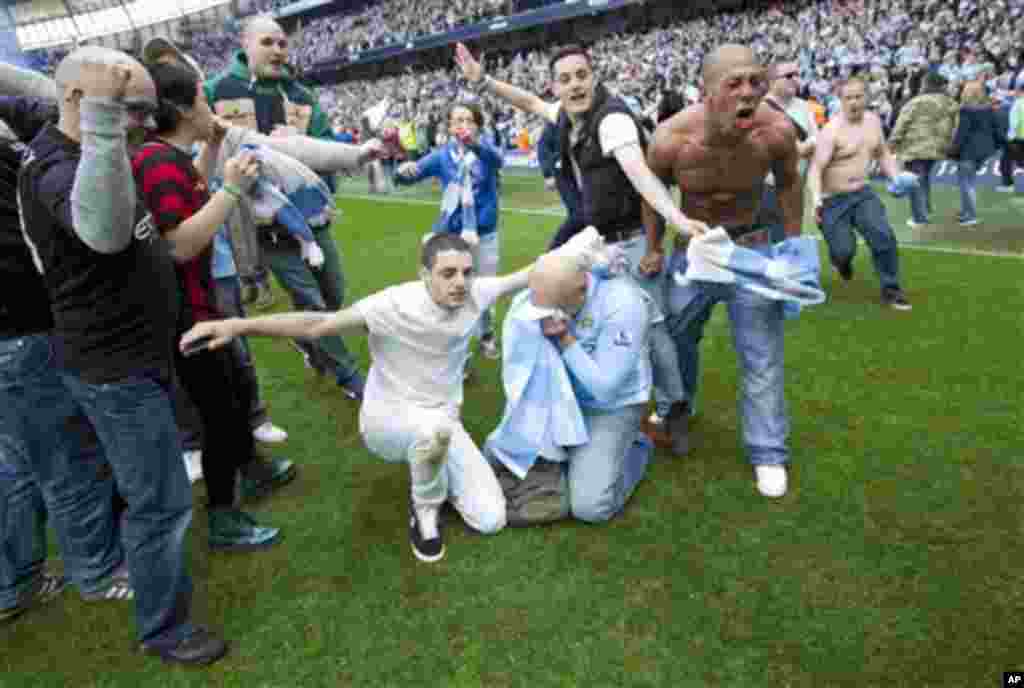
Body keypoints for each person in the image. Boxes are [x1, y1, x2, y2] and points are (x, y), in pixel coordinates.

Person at [17, 47, 226, 664]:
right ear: (84, 102)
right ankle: (163, 628)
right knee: (160, 501)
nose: (144, 119)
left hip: (133, 356)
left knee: (144, 488)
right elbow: (104, 231)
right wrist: (108, 123)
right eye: (131, 107)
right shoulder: (57, 165)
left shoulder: (91, 146)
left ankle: (136, 583)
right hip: (116, 369)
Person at [180, 234, 566, 562]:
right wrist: (238, 324)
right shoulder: (393, 305)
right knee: (432, 432)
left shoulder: (475, 295)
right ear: (424, 275)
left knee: (491, 519)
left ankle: (435, 472)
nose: (460, 282)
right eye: (448, 273)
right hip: (387, 423)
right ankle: (425, 508)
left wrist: (597, 242)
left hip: (441, 421)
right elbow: (318, 325)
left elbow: (533, 272)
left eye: (467, 272)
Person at [454, 42, 691, 456]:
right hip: (599, 239)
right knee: (555, 280)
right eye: (565, 79)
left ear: (593, 76)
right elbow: (529, 101)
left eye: (581, 75)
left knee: (653, 332)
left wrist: (675, 220)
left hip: (632, 242)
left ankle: (674, 412)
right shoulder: (568, 115)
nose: (575, 85)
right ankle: (586, 389)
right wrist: (484, 81)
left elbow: (642, 177)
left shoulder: (613, 120)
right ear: (556, 86)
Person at [131, 59, 297, 548]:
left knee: (230, 397)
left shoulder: (167, 156)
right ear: (182, 108)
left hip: (198, 306)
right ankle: (224, 516)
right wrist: (233, 189)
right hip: (185, 313)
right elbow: (179, 242)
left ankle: (252, 469)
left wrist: (214, 149)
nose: (210, 108)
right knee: (219, 414)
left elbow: (192, 194)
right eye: (203, 100)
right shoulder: (156, 162)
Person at [639, 44, 804, 498]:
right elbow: (652, 193)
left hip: (751, 250)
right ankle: (680, 407)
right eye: (734, 84)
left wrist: (793, 242)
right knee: (675, 339)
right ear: (706, 91)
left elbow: (791, 181)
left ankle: (768, 452)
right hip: (694, 252)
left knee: (762, 354)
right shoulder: (672, 139)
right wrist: (653, 246)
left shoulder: (775, 132)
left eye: (756, 81)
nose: (748, 93)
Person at [1, 95, 134, 625]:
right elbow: (46, 111)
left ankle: (16, 583)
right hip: (23, 332)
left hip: (17, 335)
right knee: (64, 458)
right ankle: (97, 571)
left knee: (22, 464)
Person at [204, 17, 369, 400]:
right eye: (268, 42)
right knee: (311, 299)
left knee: (334, 292)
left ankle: (308, 341)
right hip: (264, 227)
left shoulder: (301, 96)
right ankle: (349, 377)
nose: (279, 50)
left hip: (313, 220)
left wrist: (303, 140)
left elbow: (328, 146)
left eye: (282, 43)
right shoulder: (215, 90)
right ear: (245, 44)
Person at [489, 250, 653, 524]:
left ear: (581, 290)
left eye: (555, 307)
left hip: (611, 407)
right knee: (497, 456)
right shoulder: (550, 288)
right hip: (560, 393)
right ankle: (578, 458)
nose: (548, 314)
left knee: (589, 507)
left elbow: (605, 389)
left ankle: (636, 446)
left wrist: (565, 339)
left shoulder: (625, 304)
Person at [395, 102, 505, 359]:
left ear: (477, 125)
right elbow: (414, 173)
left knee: (484, 289)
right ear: (450, 127)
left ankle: (486, 333)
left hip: (484, 235)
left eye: (469, 120)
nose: (463, 125)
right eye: (457, 121)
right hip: (453, 238)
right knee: (455, 290)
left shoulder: (485, 151)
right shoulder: (442, 156)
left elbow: (497, 160)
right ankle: (460, 345)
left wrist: (475, 144)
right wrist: (402, 173)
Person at [808, 76, 913, 310]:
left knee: (883, 236)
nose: (854, 102)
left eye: (858, 96)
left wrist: (896, 177)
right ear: (840, 100)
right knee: (843, 251)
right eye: (848, 98)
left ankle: (891, 289)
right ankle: (841, 262)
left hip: (862, 193)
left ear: (867, 97)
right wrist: (816, 201)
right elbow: (815, 169)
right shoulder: (831, 131)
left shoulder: (873, 122)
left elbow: (883, 153)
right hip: (833, 200)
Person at [888, 72, 958, 227]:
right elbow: (955, 127)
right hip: (938, 148)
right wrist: (948, 144)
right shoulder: (951, 104)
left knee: (914, 181)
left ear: (926, 84)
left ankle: (920, 217)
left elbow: (901, 124)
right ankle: (925, 209)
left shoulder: (916, 102)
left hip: (915, 147)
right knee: (922, 179)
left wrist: (891, 145)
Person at [950, 82, 1004, 226]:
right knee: (970, 182)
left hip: (968, 151)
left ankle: (970, 216)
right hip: (985, 151)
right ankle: (966, 212)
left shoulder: (966, 111)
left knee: (966, 184)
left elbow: (962, 134)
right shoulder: (989, 110)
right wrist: (997, 146)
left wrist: (953, 150)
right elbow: (997, 130)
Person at [537, 120, 585, 250]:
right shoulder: (557, 118)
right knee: (580, 215)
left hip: (584, 170)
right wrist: (548, 173)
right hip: (563, 171)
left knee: (585, 216)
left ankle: (574, 251)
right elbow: (542, 145)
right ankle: (552, 251)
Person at [997, 87, 1024, 193]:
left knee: (1005, 161)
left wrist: (1009, 138)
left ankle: (1008, 185)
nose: (1015, 93)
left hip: (1018, 139)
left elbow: (1014, 123)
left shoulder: (1018, 104)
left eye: (1017, 91)